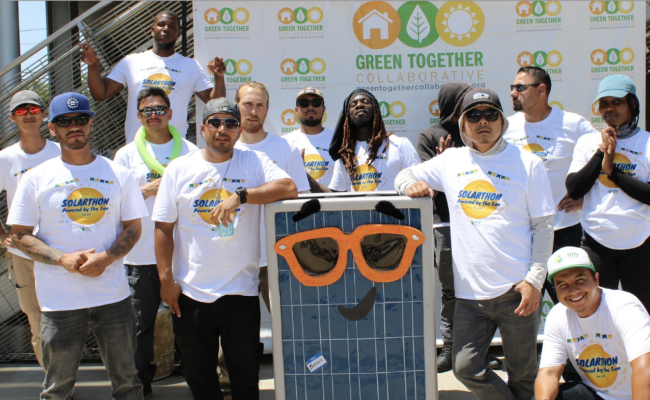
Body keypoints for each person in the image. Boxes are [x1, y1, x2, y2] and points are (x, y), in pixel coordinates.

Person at [396, 88, 555, 400]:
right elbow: (406, 172)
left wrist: (535, 280)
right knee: (465, 368)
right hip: (469, 296)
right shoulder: (450, 160)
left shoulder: (527, 163)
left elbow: (543, 225)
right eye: (474, 115)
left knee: (523, 375)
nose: (483, 121)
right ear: (463, 124)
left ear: (502, 121)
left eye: (491, 114)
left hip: (517, 292)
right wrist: (409, 184)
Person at [152, 98, 297, 399]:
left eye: (231, 123)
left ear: (239, 130)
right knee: (199, 378)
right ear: (203, 129)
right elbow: (164, 228)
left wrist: (241, 196)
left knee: (245, 379)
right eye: (216, 123)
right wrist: (166, 280)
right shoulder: (180, 168)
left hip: (240, 291)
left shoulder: (253, 161)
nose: (223, 129)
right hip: (191, 291)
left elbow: (288, 188)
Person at [7, 92, 147, 399]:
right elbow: (19, 234)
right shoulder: (35, 178)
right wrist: (62, 259)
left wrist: (107, 258)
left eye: (81, 119)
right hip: (60, 302)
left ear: (91, 124)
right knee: (57, 389)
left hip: (113, 298)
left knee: (127, 383)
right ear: (52, 128)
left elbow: (134, 227)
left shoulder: (117, 174)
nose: (74, 126)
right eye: (65, 121)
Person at [113, 87, 199, 398]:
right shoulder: (125, 155)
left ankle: (197, 383)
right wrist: (145, 191)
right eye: (147, 110)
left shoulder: (189, 150)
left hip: (183, 256)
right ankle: (141, 387)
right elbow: (116, 203)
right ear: (138, 116)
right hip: (141, 257)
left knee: (189, 328)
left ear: (171, 113)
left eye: (160, 109)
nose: (154, 115)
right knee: (140, 328)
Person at [505, 67, 597, 304]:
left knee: (572, 303)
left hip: (563, 229)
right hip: (521, 233)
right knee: (522, 305)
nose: (513, 93)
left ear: (541, 90)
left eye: (520, 88)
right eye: (512, 88)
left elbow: (602, 159)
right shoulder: (506, 127)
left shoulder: (573, 124)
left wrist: (586, 198)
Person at [566, 75, 650, 312]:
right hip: (597, 244)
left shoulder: (647, 143)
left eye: (617, 102)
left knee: (642, 314)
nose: (609, 108)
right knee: (598, 313)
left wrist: (613, 173)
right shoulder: (587, 142)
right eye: (603, 103)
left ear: (632, 105)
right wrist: (601, 152)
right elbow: (574, 188)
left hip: (640, 244)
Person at [80, 10, 226, 142]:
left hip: (175, 149)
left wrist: (219, 77)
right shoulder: (131, 62)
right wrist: (92, 67)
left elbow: (214, 102)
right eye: (161, 25)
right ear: (152, 30)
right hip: (138, 149)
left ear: (179, 34)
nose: (166, 29)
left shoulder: (190, 66)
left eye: (172, 26)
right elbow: (101, 93)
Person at [535, 246, 650, 400]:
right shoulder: (557, 316)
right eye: (563, 285)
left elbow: (644, 369)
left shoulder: (624, 307)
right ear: (555, 289)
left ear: (596, 279)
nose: (574, 290)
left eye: (580, 280)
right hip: (599, 395)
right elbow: (548, 373)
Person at [233, 81, 310, 310]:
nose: (253, 111)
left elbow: (302, 202)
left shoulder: (285, 148)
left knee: (287, 328)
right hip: (233, 259)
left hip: (276, 257)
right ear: (236, 106)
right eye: (247, 104)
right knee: (233, 335)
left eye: (260, 105)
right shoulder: (223, 149)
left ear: (267, 109)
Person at [0, 90, 60, 368]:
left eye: (33, 110)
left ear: (44, 114)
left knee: (67, 320)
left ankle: (63, 379)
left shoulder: (62, 152)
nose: (28, 116)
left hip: (63, 250)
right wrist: (3, 236)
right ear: (12, 118)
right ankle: (56, 386)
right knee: (37, 322)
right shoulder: (5, 158)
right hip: (24, 254)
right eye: (21, 111)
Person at [416, 81, 471, 372]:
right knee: (450, 291)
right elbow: (427, 188)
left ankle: (477, 351)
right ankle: (449, 348)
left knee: (480, 289)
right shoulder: (429, 136)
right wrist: (439, 166)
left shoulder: (475, 131)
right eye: (465, 100)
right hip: (445, 224)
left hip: (479, 222)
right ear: (452, 103)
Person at [325, 89, 420, 192]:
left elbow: (420, 182)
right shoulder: (346, 155)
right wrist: (306, 177)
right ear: (348, 116)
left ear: (376, 110)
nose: (359, 105)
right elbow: (336, 194)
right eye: (353, 104)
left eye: (365, 102)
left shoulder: (400, 145)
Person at [283, 87, 335, 190]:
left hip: (330, 203)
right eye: (304, 103)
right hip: (297, 204)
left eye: (316, 103)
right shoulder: (285, 142)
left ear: (323, 109)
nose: (310, 107)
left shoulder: (337, 139)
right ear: (296, 110)